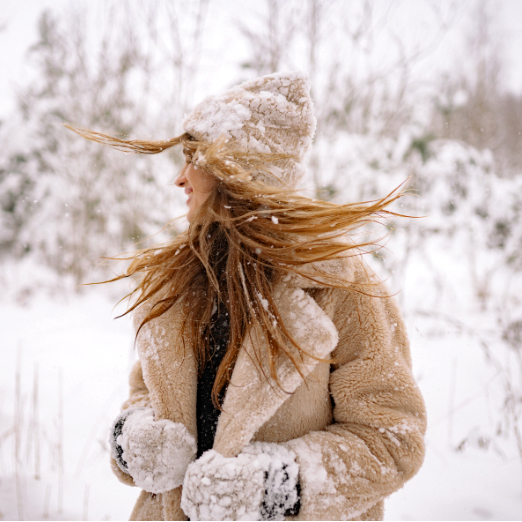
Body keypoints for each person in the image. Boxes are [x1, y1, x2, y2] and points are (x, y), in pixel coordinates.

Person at [68, 71, 426, 521]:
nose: (180, 179)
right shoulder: (182, 285)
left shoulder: (341, 288)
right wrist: (134, 439)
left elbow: (392, 438)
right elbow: (144, 394)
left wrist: (273, 488)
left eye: (193, 159)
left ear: (237, 171)